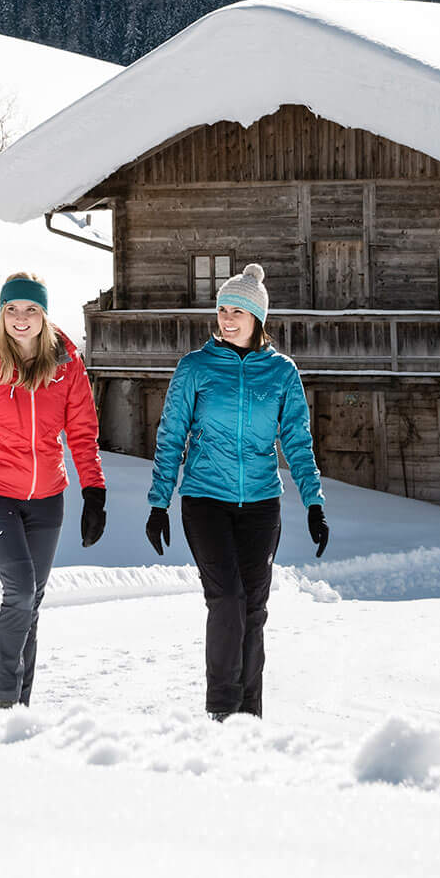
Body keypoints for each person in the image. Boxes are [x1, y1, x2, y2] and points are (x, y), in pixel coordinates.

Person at [145, 262, 328, 719]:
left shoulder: (282, 373)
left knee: (253, 608)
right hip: (206, 499)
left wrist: (313, 502)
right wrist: (158, 502)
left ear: (257, 318)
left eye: (237, 312)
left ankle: (250, 715)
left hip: (262, 504)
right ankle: (222, 708)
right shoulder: (195, 368)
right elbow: (171, 436)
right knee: (226, 598)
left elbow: (298, 441)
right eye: (222, 309)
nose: (227, 319)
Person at [0, 272, 105, 708]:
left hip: (48, 498)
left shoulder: (68, 368)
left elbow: (83, 434)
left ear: (44, 315)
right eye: (11, 309)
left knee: (32, 600)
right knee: (19, 591)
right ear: (1, 314)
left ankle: (20, 706)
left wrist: (94, 494)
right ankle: (3, 699)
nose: (20, 318)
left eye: (30, 309)